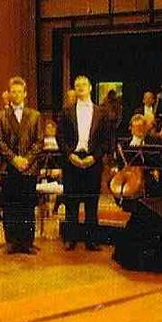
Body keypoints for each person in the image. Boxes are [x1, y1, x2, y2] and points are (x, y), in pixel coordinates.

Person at [57, 75, 109, 251]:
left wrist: (94, 157)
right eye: (77, 85)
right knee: (71, 203)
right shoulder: (66, 111)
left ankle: (91, 240)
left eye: (84, 85)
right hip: (72, 160)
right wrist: (69, 155)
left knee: (91, 203)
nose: (80, 88)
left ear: (90, 88)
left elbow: (106, 140)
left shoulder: (102, 112)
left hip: (92, 161)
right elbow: (60, 137)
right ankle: (70, 239)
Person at [0, 76, 42, 254]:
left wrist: (26, 159)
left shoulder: (35, 115)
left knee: (27, 206)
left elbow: (39, 141)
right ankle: (12, 242)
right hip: (9, 168)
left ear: (25, 93)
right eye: (13, 91)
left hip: (29, 167)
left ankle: (27, 243)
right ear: (9, 93)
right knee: (10, 206)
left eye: (19, 91)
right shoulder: (1, 116)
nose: (16, 94)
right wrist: (14, 159)